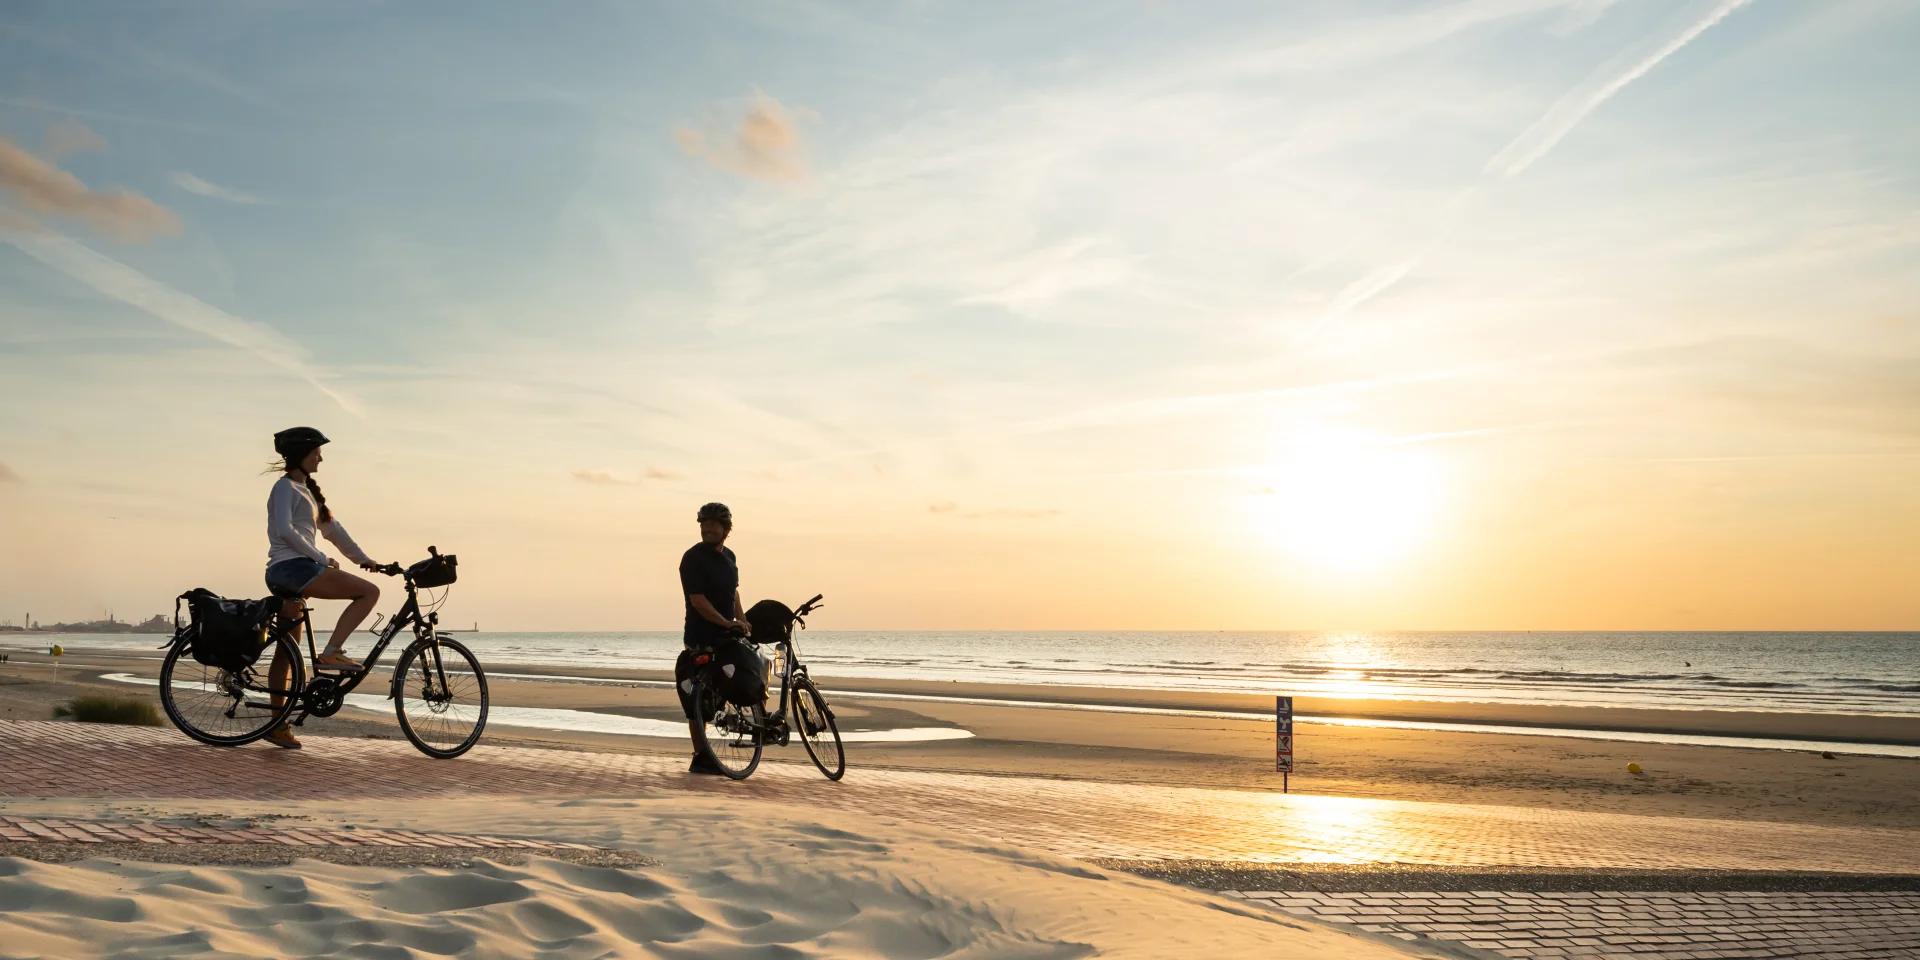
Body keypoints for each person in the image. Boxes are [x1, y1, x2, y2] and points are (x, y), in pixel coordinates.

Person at [260, 427, 391, 749]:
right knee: (368, 592)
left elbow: (335, 531)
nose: (321, 456)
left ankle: (277, 726)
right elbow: (284, 531)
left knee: (287, 653)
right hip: (291, 568)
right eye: (317, 451)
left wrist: (365, 560)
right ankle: (331, 654)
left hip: (295, 571)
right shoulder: (284, 488)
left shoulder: (309, 492)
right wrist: (320, 558)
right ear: (301, 454)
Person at [678, 501, 752, 774]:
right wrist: (725, 622)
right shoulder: (692, 558)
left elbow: (734, 594)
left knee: (746, 670)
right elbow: (697, 600)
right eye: (703, 524)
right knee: (696, 696)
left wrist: (741, 620)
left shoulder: (730, 557)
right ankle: (701, 755)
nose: (707, 529)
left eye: (713, 525)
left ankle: (748, 721)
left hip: (727, 633)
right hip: (700, 636)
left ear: (725, 529)